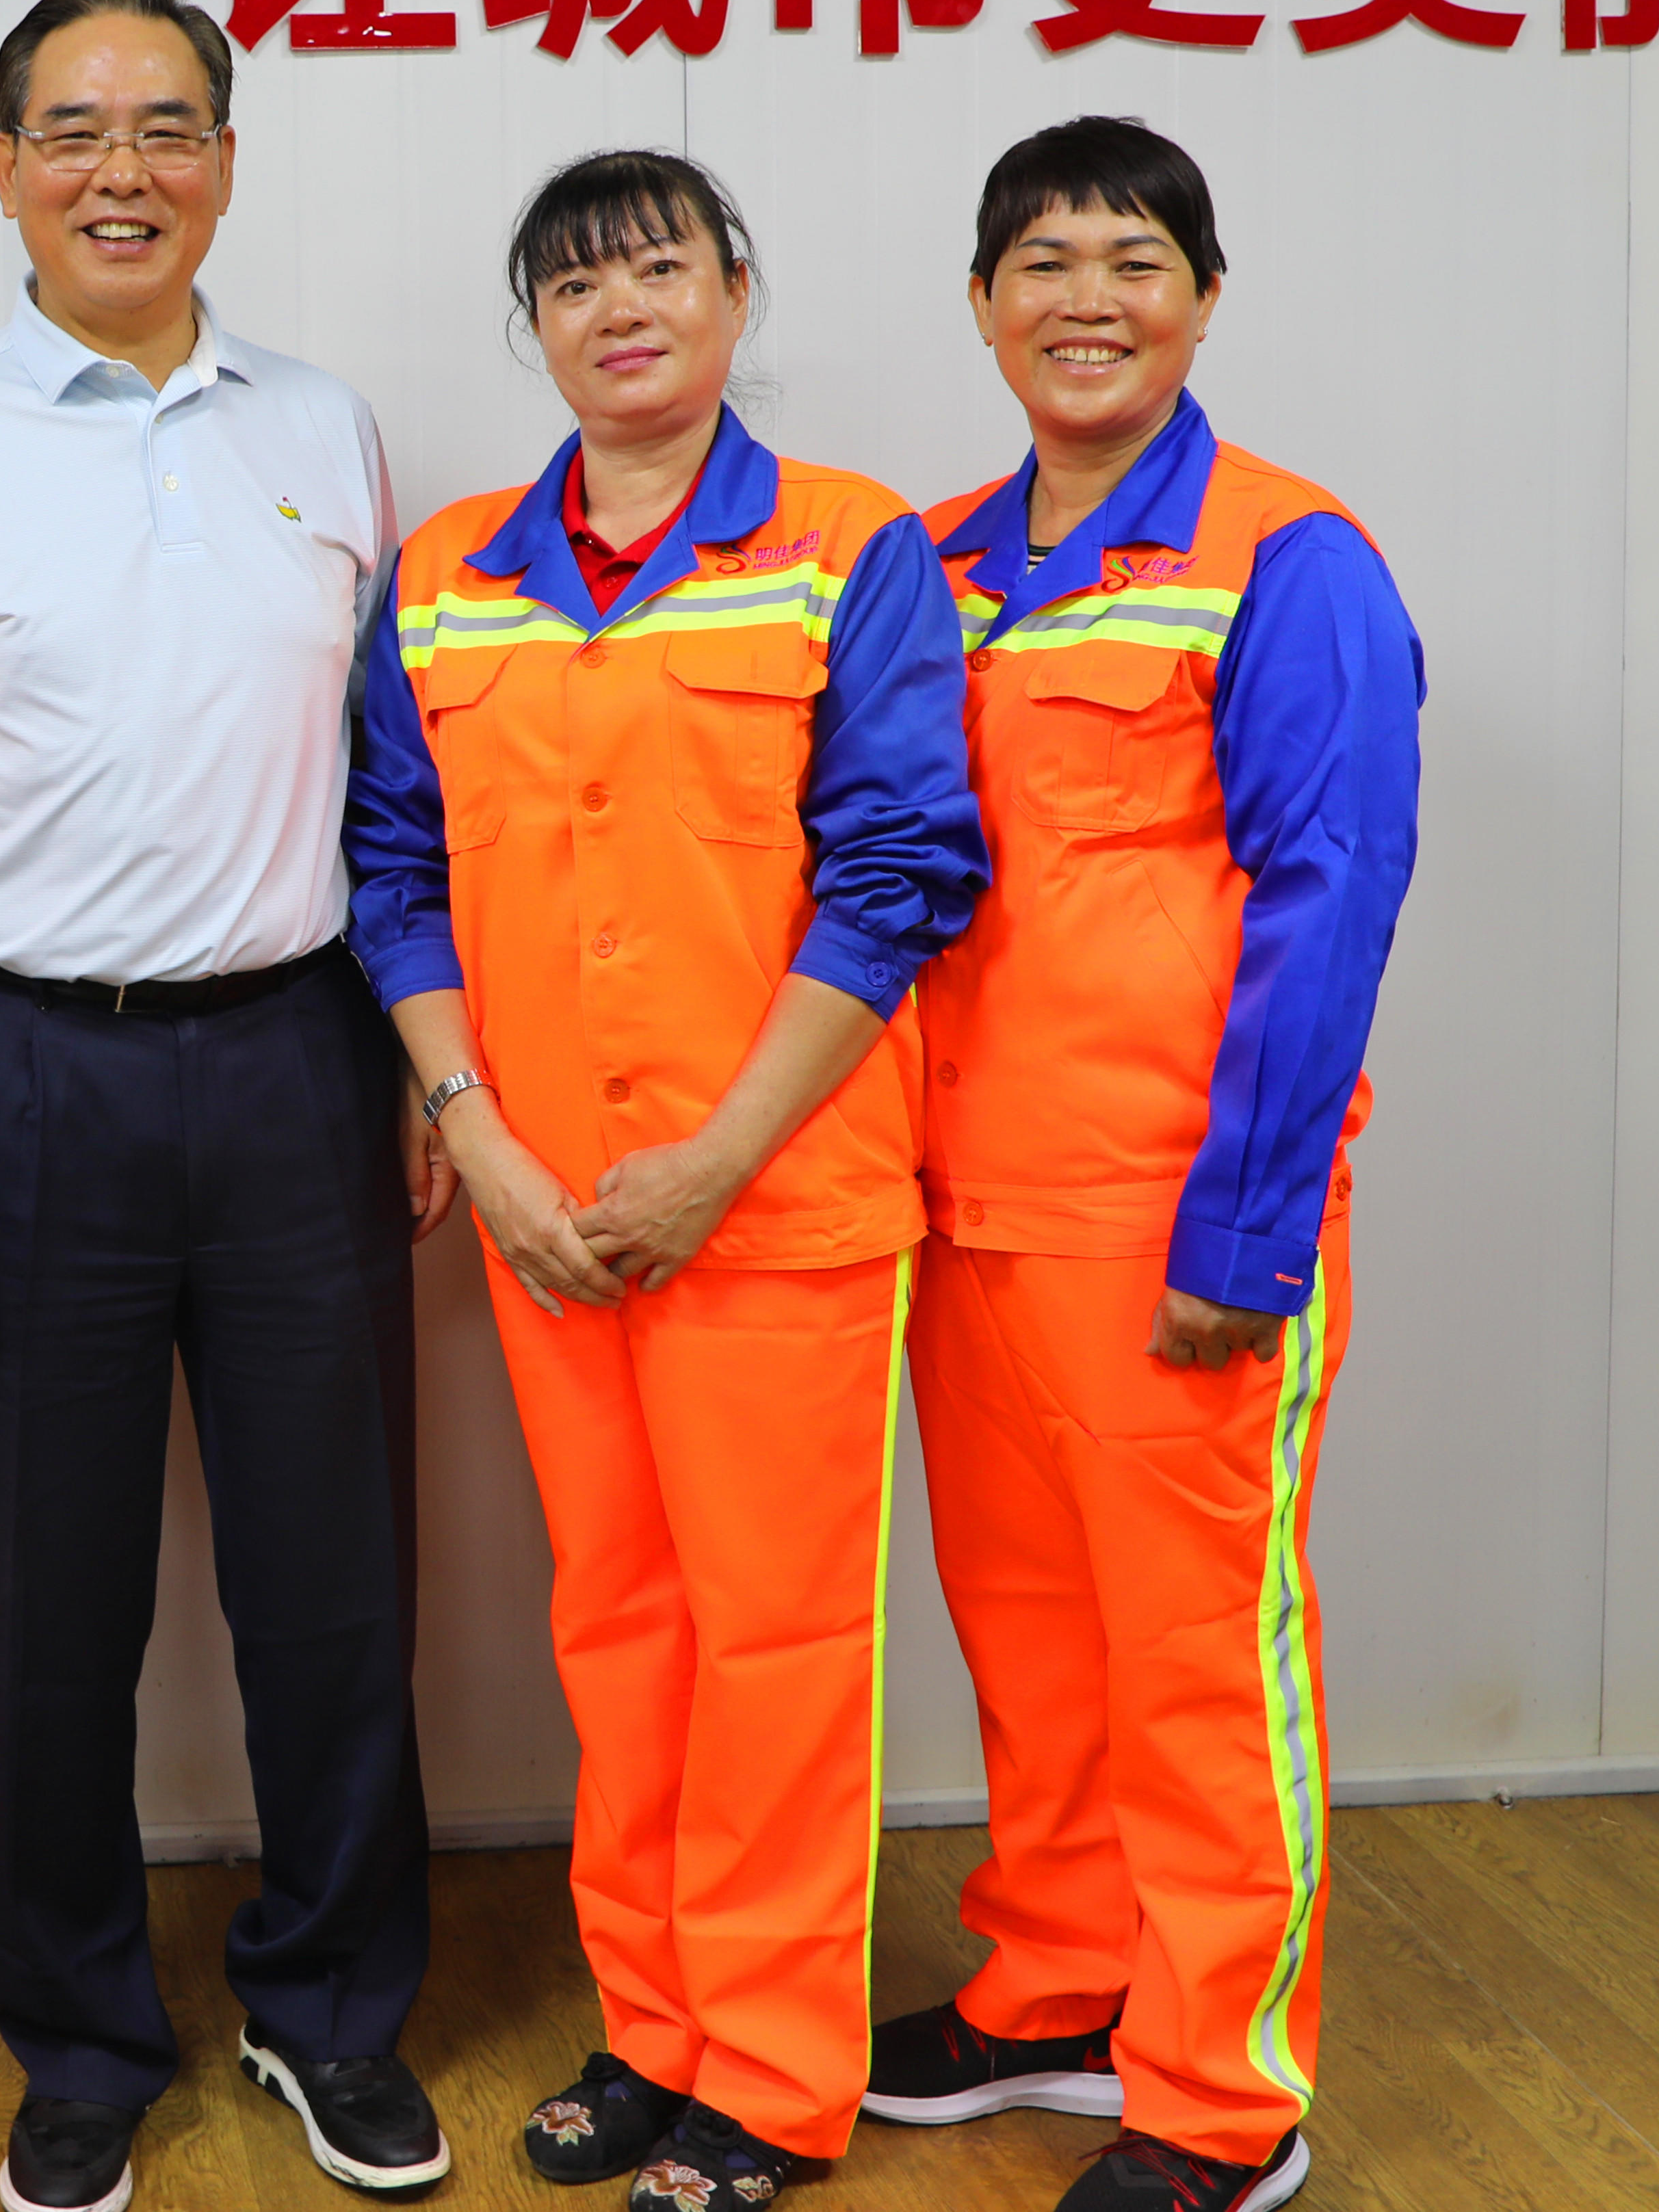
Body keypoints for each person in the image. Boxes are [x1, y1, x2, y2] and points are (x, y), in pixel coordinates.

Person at [0, 0, 458, 2212]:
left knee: (333, 1585)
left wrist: (421, 1068)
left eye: (167, 128)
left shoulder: (325, 429)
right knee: (46, 1608)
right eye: (73, 131)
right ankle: (77, 2039)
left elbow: (384, 781)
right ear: (4, 172)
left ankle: (330, 2009)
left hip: (296, 1061)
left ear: (229, 165)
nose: (121, 171)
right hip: (14, 1074)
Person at [345, 153, 988, 2208]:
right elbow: (392, 869)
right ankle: (655, 2029)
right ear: (533, 328)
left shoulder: (849, 548)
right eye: (574, 284)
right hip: (547, 1214)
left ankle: (777, 2077)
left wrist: (717, 1156)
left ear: (735, 292)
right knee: (619, 1632)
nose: (619, 308)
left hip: (773, 1206)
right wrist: (477, 1137)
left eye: (658, 268)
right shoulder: (449, 572)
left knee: (777, 1646)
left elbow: (903, 866)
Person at [867, 120, 1422, 2212]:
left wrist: (1249, 1232)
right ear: (982, 303)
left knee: (1195, 1665)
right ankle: (1058, 1986)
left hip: (1171, 1222)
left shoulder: (1291, 559)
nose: (1085, 300)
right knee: (1032, 1639)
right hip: (963, 1217)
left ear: (1202, 298)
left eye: (1132, 260)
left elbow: (1330, 900)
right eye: (1041, 261)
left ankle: (1216, 2098)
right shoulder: (930, 565)